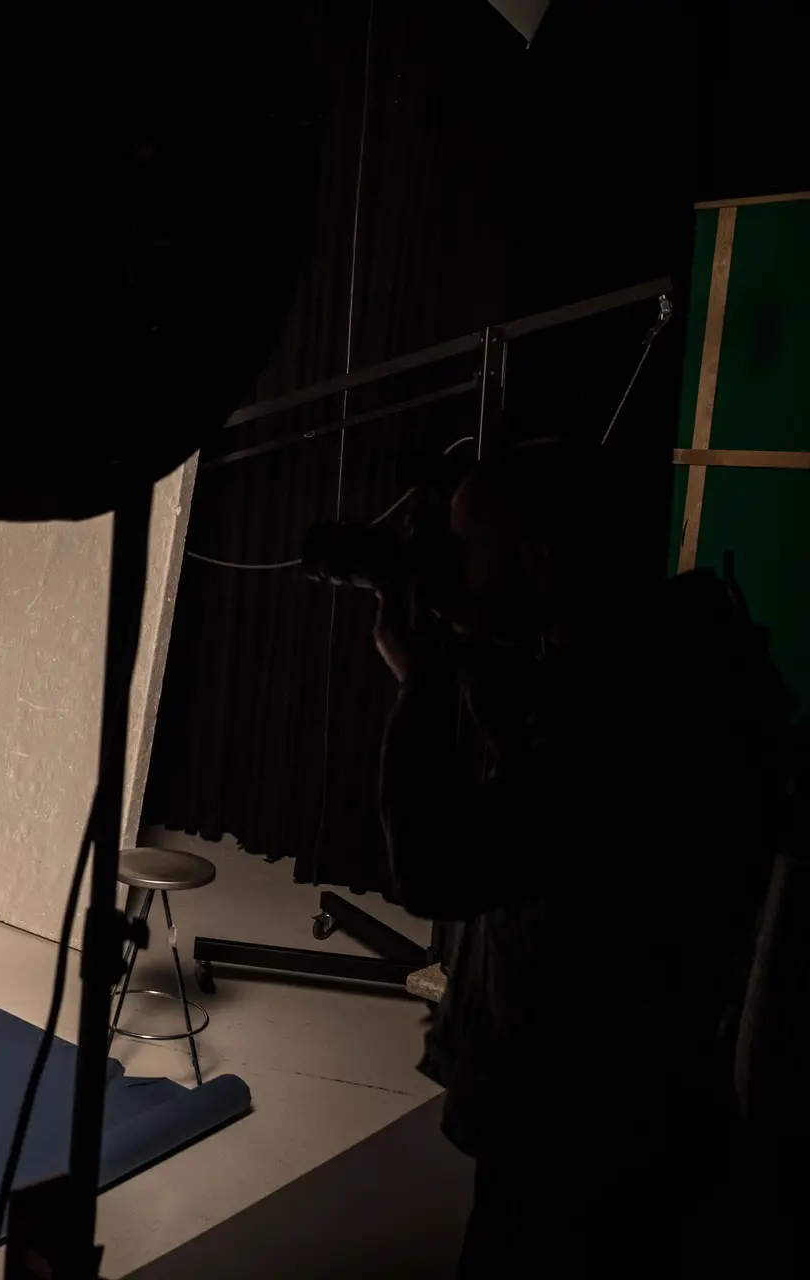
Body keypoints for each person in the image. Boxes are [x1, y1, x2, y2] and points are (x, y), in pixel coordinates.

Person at [369, 439, 793, 1274]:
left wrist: (422, 682)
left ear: (539, 561)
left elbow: (433, 867)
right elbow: (534, 772)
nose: (454, 574)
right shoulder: (656, 659)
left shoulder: (626, 715)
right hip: (608, 1100)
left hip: (586, 1119)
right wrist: (464, 645)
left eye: (468, 551)